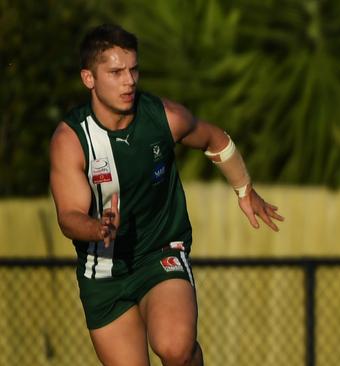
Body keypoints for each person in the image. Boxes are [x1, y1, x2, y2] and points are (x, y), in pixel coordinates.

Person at [49, 24, 284, 366]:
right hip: (103, 271)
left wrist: (245, 190)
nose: (129, 81)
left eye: (133, 69)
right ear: (89, 78)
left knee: (175, 347)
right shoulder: (71, 140)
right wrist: (98, 228)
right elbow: (69, 216)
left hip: (160, 252)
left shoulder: (164, 117)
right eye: (116, 72)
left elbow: (214, 139)